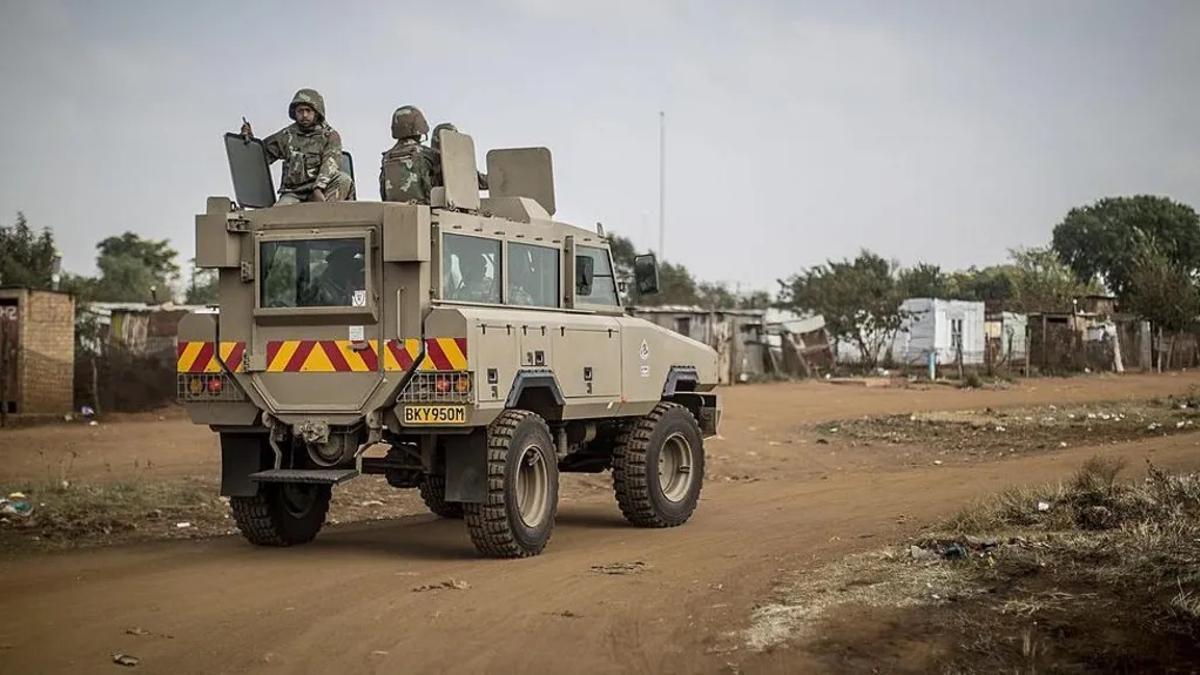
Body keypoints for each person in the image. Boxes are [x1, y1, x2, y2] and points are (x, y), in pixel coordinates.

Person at [240, 88, 353, 205]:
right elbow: (261, 157)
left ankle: (326, 216)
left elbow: (331, 164)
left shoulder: (330, 136)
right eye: (300, 111)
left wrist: (318, 188)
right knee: (276, 215)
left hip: (321, 189)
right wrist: (250, 141)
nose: (304, 115)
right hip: (294, 192)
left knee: (343, 180)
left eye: (308, 111)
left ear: (317, 112)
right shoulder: (287, 135)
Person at [379, 106, 439, 203]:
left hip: (392, 212)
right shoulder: (428, 154)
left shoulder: (387, 157)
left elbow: (383, 192)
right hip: (425, 213)